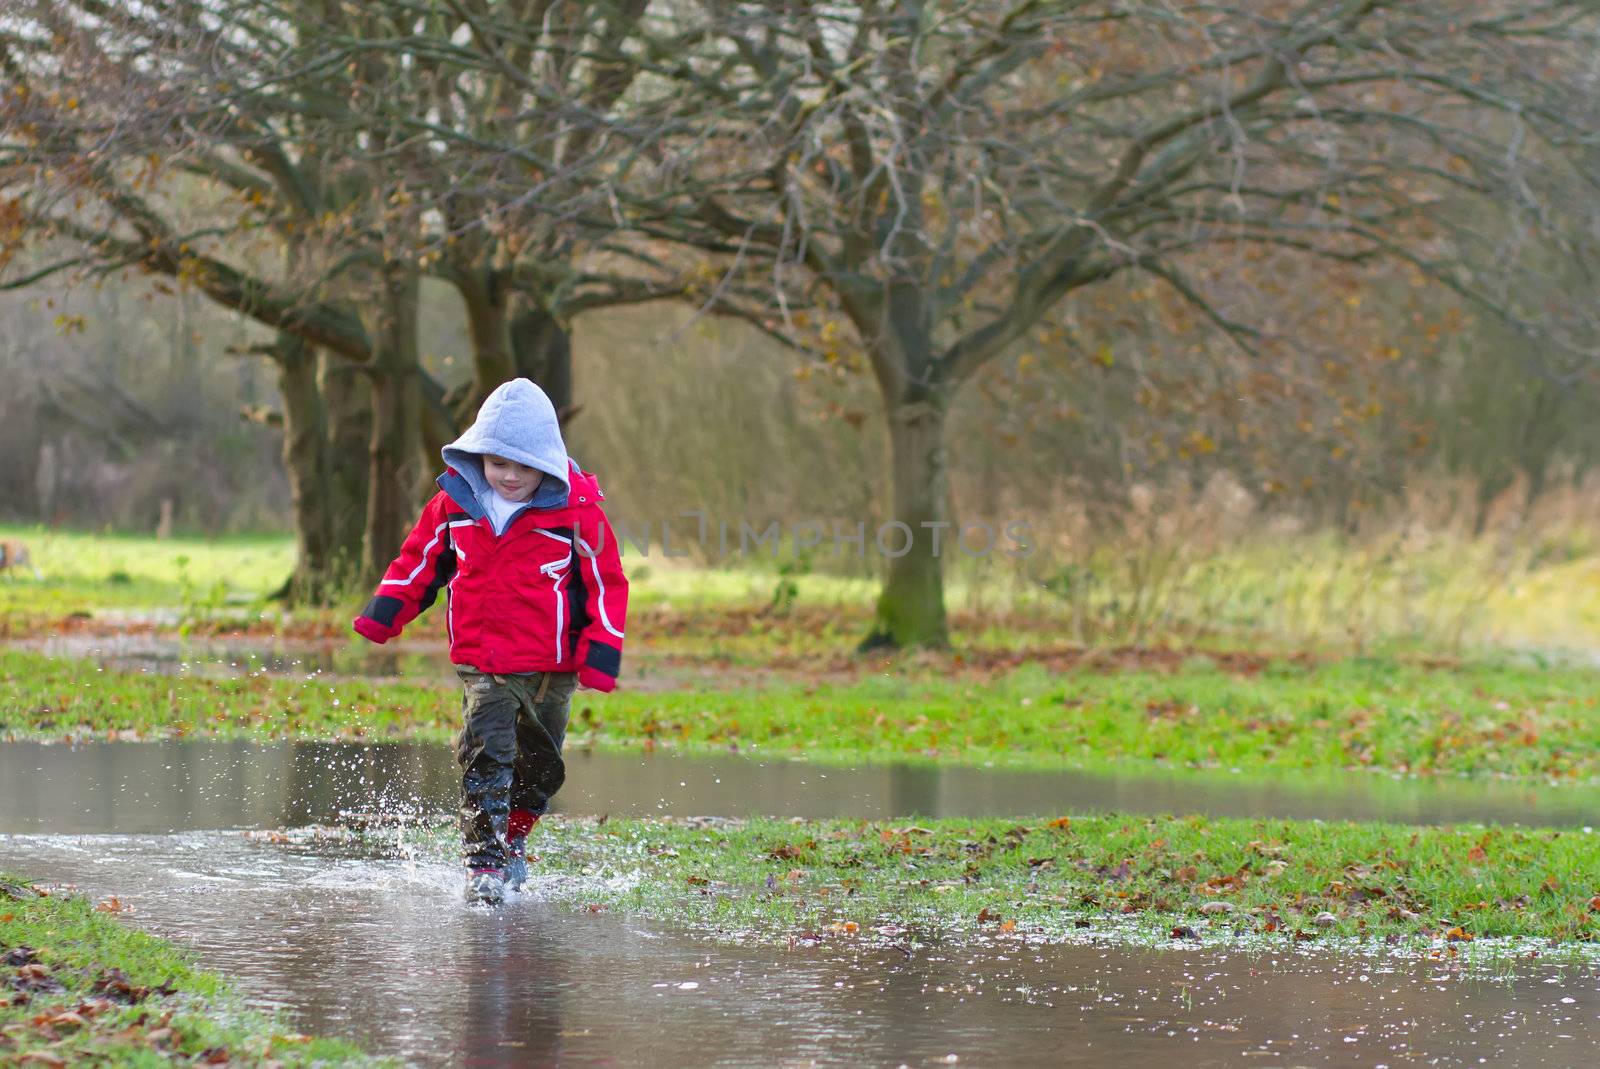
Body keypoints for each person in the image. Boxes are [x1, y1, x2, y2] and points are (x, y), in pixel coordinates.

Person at [352, 378, 627, 904]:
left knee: (540, 769)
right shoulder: (454, 505)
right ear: (478, 455)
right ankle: (483, 864)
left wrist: (601, 653)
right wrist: (383, 615)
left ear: (546, 462)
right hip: (485, 662)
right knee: (486, 758)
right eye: (499, 463)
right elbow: (418, 562)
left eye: (523, 466)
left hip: (554, 668)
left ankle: (513, 842)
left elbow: (606, 586)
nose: (510, 476)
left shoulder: (576, 515)